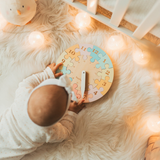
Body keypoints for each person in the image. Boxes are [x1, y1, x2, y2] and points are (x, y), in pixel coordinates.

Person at [0, 62, 85, 160]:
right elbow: (65, 132)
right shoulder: (48, 132)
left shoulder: (22, 97)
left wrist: (47, 74)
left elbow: (27, 82)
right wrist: (71, 112)